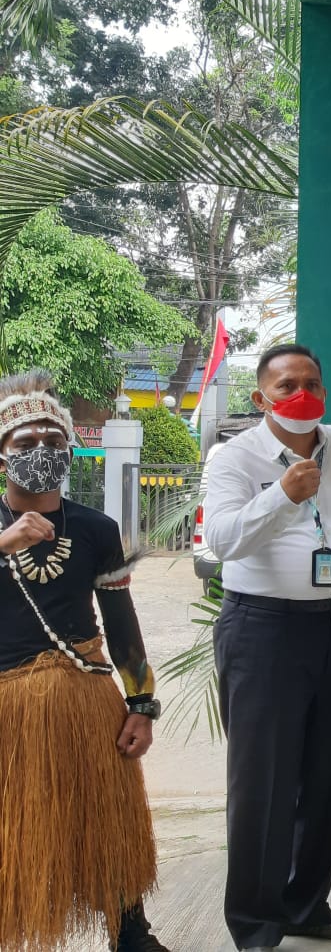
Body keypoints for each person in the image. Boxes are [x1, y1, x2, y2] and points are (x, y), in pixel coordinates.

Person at [203, 344, 331, 951]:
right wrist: (282, 493)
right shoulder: (233, 457)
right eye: (286, 386)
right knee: (264, 784)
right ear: (261, 398)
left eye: (311, 382)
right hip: (263, 631)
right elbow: (223, 541)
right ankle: (257, 925)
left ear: (325, 392)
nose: (300, 393)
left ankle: (307, 903)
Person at [0, 370, 168, 952]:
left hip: (87, 697)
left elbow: (122, 624)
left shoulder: (97, 528)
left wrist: (141, 704)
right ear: (2, 454)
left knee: (109, 823)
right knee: (13, 831)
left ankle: (131, 932)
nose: (41, 451)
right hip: (7, 706)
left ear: (72, 447)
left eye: (53, 439)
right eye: (25, 443)